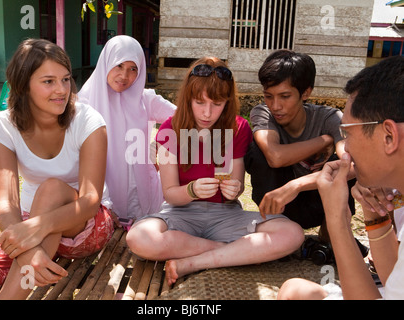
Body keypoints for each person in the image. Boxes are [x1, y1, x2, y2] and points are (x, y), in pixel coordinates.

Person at [0, 39, 114, 300]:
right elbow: (6, 204)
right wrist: (28, 249)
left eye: (65, 79)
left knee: (50, 189)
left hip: (86, 226)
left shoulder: (87, 121)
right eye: (48, 81)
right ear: (23, 85)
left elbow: (89, 202)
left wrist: (39, 227)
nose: (62, 90)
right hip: (28, 222)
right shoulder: (3, 128)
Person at [126, 57, 304, 286]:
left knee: (292, 234)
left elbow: (236, 188)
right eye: (199, 102)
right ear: (188, 98)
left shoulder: (238, 127)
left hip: (225, 214)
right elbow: (170, 194)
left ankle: (191, 262)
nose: (207, 113)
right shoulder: (171, 128)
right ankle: (233, 253)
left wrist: (234, 189)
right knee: (138, 237)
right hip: (180, 215)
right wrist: (191, 190)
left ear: (227, 102)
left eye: (217, 104)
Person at [278, 55, 404, 300]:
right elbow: (393, 281)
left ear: (388, 136)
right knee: (295, 291)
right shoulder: (397, 192)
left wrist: (336, 220)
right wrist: (373, 213)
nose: (345, 149)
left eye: (348, 133)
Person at [244, 49, 357, 243]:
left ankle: (331, 235)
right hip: (278, 202)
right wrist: (326, 140)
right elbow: (275, 157)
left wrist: (297, 185)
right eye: (269, 96)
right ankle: (277, 230)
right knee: (257, 149)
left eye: (285, 96)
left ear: (305, 93)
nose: (275, 105)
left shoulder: (329, 118)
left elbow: (353, 165)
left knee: (344, 160)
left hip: (318, 202)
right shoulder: (263, 113)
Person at [78, 35, 176, 225]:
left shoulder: (145, 99)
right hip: (103, 198)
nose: (125, 76)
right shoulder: (84, 104)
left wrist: (156, 145)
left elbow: (183, 118)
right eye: (119, 66)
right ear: (107, 63)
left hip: (145, 194)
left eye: (133, 69)